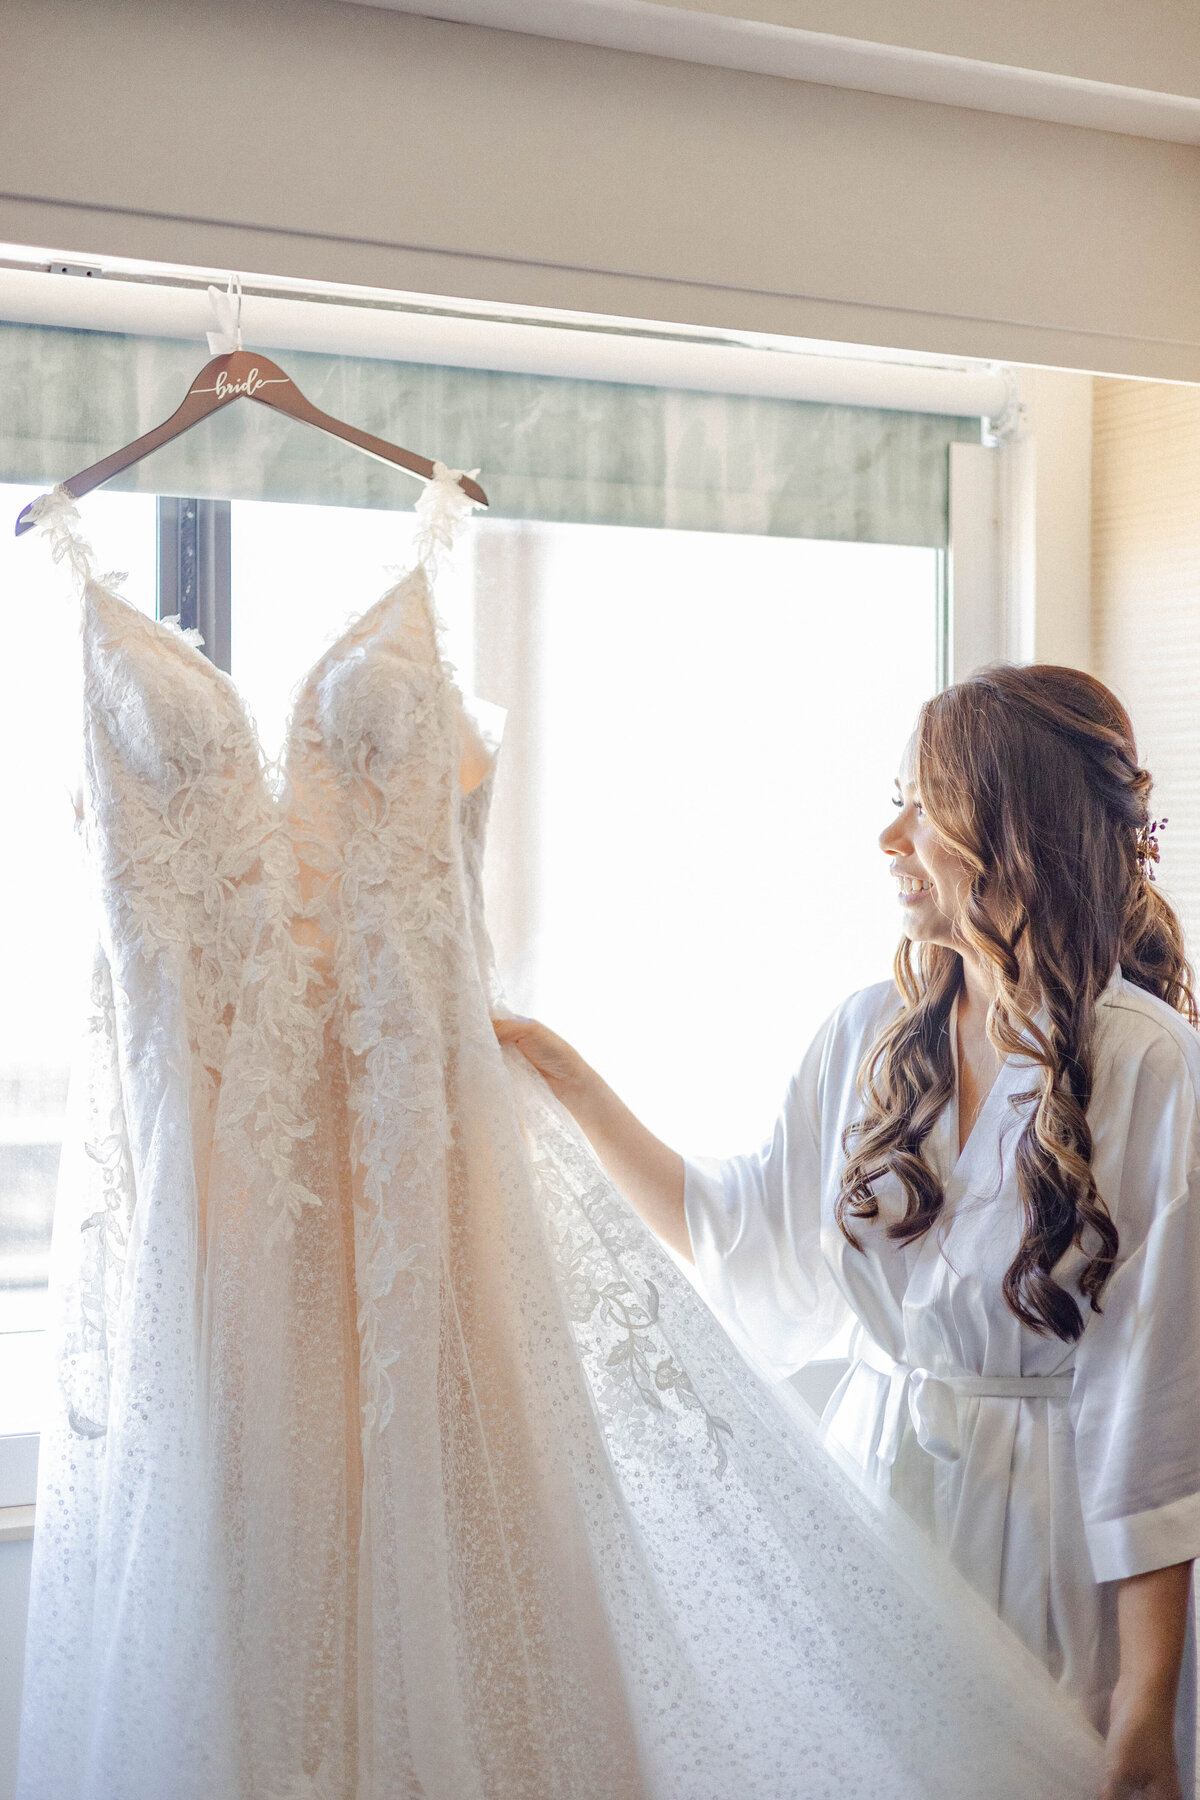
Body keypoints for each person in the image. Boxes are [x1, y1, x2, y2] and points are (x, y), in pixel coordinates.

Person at [497, 663, 1200, 1800]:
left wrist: (1145, 1711)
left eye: (921, 803)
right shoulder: (872, 1037)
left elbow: (1161, 1413)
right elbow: (740, 1234)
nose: (889, 834)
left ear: (1007, 828)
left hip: (1055, 1557)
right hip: (885, 1521)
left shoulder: (1149, 1065)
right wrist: (565, 1078)